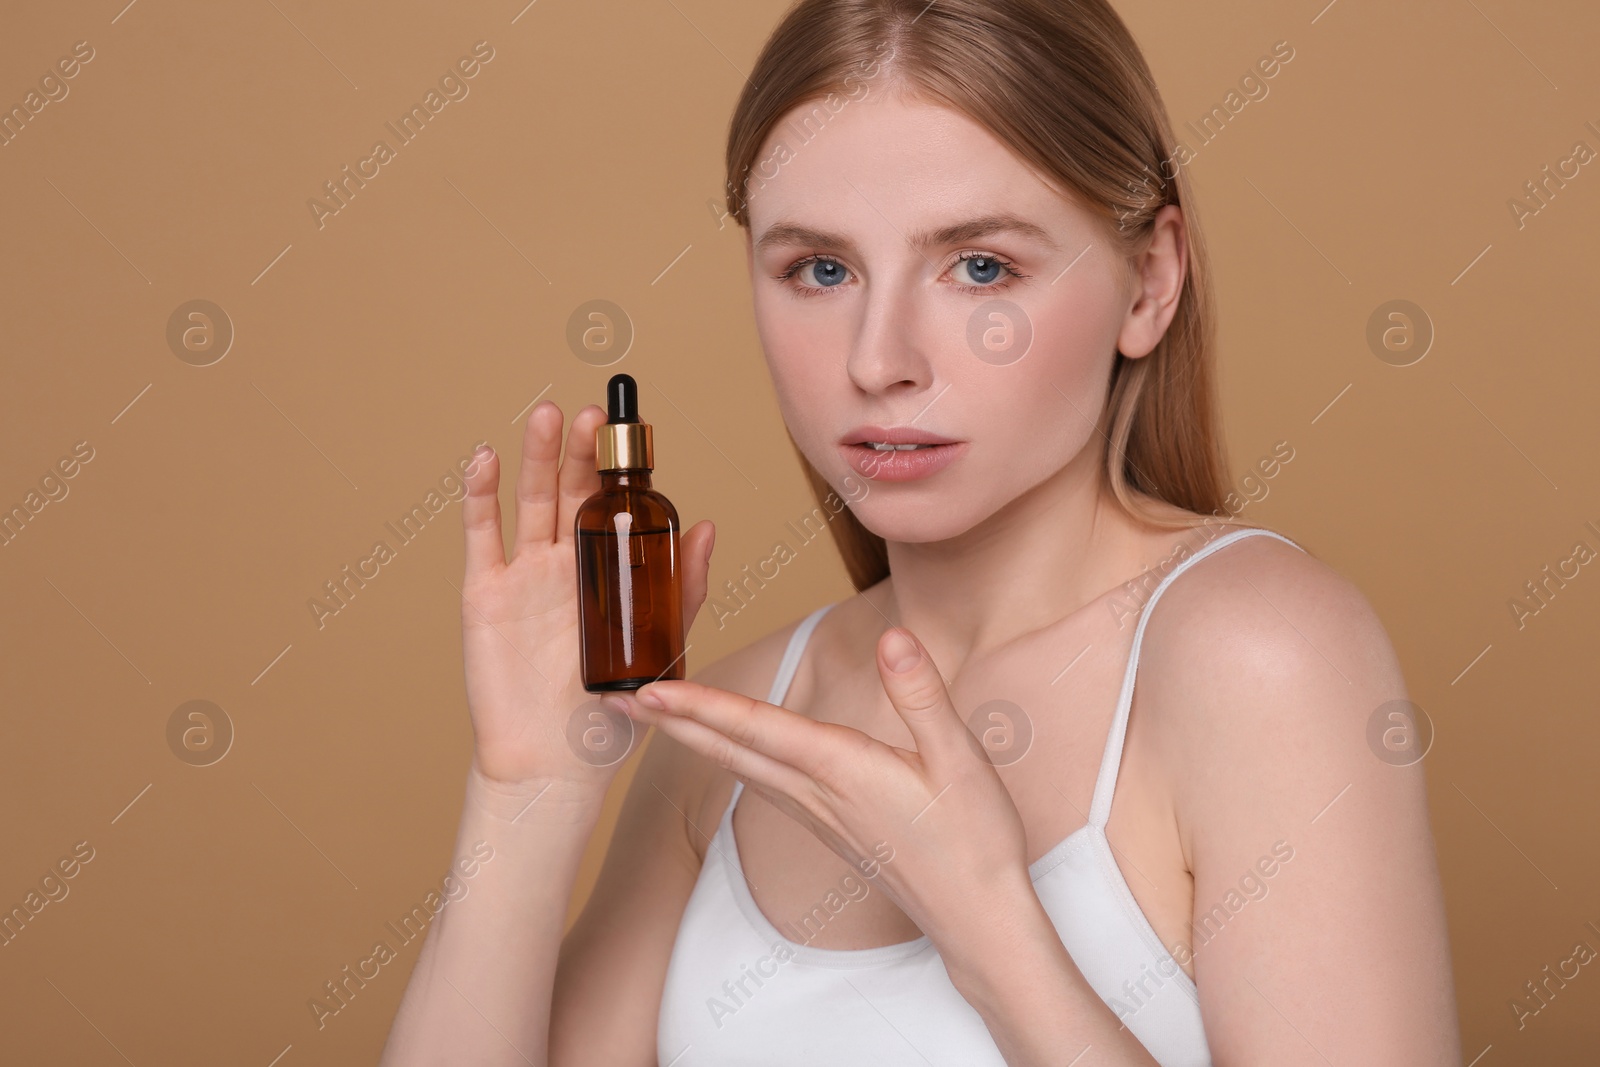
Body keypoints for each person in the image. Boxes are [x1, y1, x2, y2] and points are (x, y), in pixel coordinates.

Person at [380, 1, 1460, 1063]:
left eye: (980, 265)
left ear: (1149, 279)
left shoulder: (1256, 654)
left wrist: (990, 927)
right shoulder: (732, 730)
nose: (876, 358)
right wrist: (525, 793)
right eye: (821, 269)